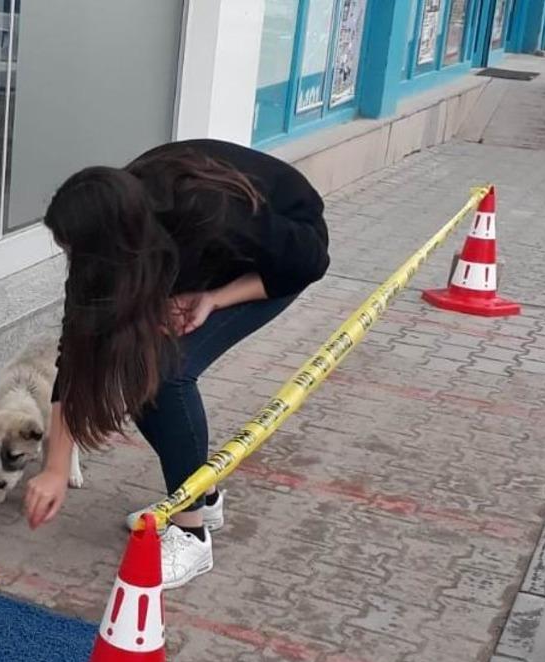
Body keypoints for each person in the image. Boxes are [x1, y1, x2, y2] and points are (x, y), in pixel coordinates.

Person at [24, 139, 330, 589]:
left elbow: (309, 262)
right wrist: (54, 467)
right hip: (206, 258)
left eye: (75, 250)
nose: (73, 261)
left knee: (166, 375)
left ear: (111, 243)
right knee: (136, 365)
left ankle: (191, 533)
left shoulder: (206, 208)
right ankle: (202, 494)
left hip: (278, 257)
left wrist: (216, 298)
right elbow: (78, 350)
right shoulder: (106, 235)